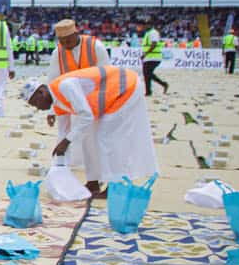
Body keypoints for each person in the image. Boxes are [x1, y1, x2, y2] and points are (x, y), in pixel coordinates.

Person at [23, 66, 158, 194]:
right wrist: (59, 160)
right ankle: (93, 183)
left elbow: (86, 116)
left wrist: (66, 142)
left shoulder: (65, 86)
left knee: (106, 139)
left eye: (35, 103)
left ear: (41, 92)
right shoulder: (58, 104)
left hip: (125, 87)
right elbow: (64, 134)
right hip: (109, 99)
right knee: (88, 139)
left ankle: (115, 185)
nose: (38, 108)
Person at [139, 22, 169, 95]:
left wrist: (146, 53)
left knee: (147, 73)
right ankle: (159, 86)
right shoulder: (148, 33)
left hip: (154, 57)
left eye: (145, 25)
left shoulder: (153, 33)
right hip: (149, 57)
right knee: (147, 74)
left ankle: (149, 91)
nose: (144, 26)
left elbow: (154, 44)